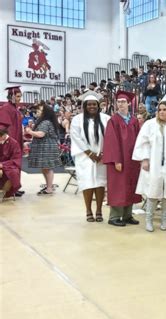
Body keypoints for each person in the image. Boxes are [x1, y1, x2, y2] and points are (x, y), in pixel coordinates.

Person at [133, 96, 166, 232]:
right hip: (154, 164)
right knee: (153, 191)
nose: (161, 112)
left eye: (164, 110)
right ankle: (149, 220)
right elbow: (142, 142)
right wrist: (144, 159)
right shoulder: (150, 124)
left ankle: (164, 219)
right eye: (160, 109)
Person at [102, 91, 141, 227]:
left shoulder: (134, 121)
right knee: (118, 187)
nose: (121, 104)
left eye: (123, 102)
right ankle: (114, 217)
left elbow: (139, 141)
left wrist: (140, 157)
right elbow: (111, 142)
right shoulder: (113, 120)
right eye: (118, 102)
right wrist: (117, 160)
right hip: (119, 160)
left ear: (129, 104)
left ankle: (127, 215)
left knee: (131, 185)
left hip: (132, 160)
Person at [70, 92, 110, 222]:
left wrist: (103, 153)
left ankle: (99, 210)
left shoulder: (106, 119)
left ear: (98, 106)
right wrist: (90, 153)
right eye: (89, 104)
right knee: (87, 183)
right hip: (84, 157)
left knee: (100, 183)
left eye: (94, 104)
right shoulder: (77, 119)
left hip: (101, 157)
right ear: (85, 106)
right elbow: (76, 138)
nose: (92, 107)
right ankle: (88, 210)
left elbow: (110, 137)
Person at [26, 103, 62, 195]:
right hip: (45, 147)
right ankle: (48, 186)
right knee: (45, 168)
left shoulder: (45, 122)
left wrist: (30, 131)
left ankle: (49, 188)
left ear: (45, 113)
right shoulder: (44, 121)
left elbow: (41, 134)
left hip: (47, 147)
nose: (37, 112)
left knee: (47, 168)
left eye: (40, 110)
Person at [0, 86, 24, 197]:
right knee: (11, 164)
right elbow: (3, 127)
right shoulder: (6, 108)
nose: (20, 98)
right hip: (9, 142)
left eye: (20, 96)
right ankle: (9, 188)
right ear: (12, 96)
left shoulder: (14, 108)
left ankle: (15, 187)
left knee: (17, 163)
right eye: (18, 96)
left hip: (17, 140)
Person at [0, 125, 22, 201]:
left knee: (13, 173)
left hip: (9, 164)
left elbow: (16, 159)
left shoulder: (13, 143)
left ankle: (6, 192)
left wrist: (3, 164)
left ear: (4, 135)